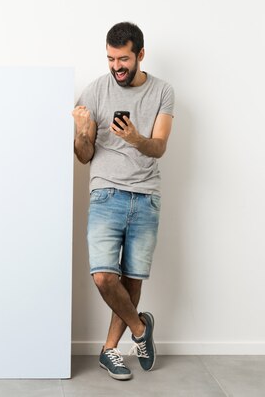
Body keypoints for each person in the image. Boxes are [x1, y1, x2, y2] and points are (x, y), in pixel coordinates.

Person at [72, 21, 175, 380]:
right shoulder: (94, 92)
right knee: (104, 277)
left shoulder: (163, 91)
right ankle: (140, 328)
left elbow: (159, 147)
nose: (117, 66)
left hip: (147, 197)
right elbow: (84, 156)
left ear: (140, 55)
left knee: (131, 280)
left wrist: (134, 138)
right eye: (111, 59)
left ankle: (109, 351)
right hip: (106, 194)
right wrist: (84, 131)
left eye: (124, 59)